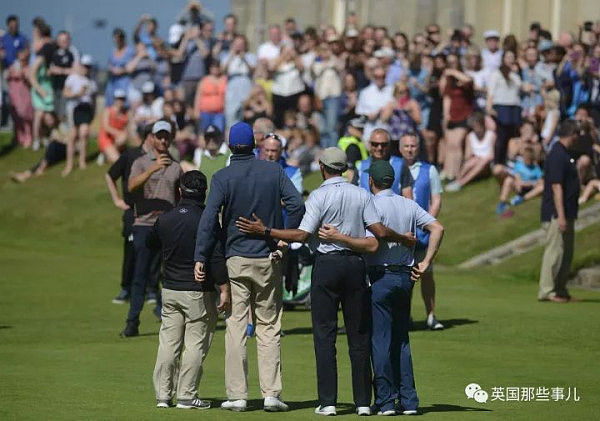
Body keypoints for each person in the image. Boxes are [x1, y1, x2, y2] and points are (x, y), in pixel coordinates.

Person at [235, 147, 416, 416]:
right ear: (343, 168)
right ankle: (363, 402)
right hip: (355, 266)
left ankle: (328, 402)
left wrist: (266, 231)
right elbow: (375, 237)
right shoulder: (362, 194)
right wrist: (399, 237)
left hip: (328, 266)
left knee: (325, 335)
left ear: (322, 167)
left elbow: (301, 234)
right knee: (359, 336)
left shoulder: (319, 195)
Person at [194, 122, 304, 412]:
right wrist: (281, 241)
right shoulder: (274, 171)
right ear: (254, 146)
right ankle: (271, 394)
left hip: (236, 259)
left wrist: (200, 257)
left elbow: (208, 220)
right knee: (268, 327)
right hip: (269, 258)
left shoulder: (222, 176)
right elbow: (297, 206)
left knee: (236, 326)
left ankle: (238, 395)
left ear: (230, 146)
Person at [324, 159, 444, 415]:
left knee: (380, 340)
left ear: (370, 181)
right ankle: (409, 401)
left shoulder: (370, 204)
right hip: (405, 277)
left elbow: (367, 239)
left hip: (379, 277)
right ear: (393, 181)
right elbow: (437, 227)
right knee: (401, 340)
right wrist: (425, 262)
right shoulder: (408, 204)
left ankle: (387, 401)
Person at [149, 170, 230, 410]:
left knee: (168, 343)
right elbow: (215, 257)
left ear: (180, 191)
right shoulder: (207, 218)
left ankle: (163, 396)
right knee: (195, 343)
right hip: (198, 290)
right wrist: (224, 288)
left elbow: (150, 243)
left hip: (170, 289)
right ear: (204, 192)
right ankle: (186, 396)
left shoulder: (166, 218)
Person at [121, 120, 184, 337]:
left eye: (167, 136)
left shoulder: (176, 167)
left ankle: (171, 319)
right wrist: (153, 168)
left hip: (167, 227)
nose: (164, 140)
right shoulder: (140, 162)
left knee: (169, 276)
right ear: (153, 138)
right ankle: (132, 321)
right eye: (160, 136)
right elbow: (131, 186)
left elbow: (179, 198)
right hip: (144, 226)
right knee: (140, 274)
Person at [399, 133, 445, 330]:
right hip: (402, 233)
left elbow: (436, 199)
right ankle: (404, 316)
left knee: (427, 274)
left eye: (413, 146)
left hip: (423, 232)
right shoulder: (395, 168)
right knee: (404, 276)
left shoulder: (429, 169)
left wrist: (426, 222)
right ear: (400, 148)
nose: (410, 149)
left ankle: (431, 315)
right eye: (406, 146)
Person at [105, 124, 153, 305]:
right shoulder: (130, 155)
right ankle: (126, 288)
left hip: (153, 211)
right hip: (133, 211)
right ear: (148, 136)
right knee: (132, 249)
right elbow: (110, 176)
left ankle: (151, 290)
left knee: (153, 250)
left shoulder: (159, 157)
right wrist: (117, 200)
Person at [538, 121, 580, 302]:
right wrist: (561, 215)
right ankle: (547, 290)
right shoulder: (557, 155)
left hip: (569, 212)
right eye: (577, 134)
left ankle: (560, 288)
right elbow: (556, 187)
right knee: (555, 252)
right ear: (572, 134)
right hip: (556, 213)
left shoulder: (566, 154)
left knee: (566, 253)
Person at [62, 55, 97, 176]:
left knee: (84, 133)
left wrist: (94, 112)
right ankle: (69, 164)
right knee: (72, 136)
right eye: (85, 66)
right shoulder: (72, 78)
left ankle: (82, 161)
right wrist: (78, 93)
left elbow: (94, 99)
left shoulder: (92, 81)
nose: (86, 69)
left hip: (86, 109)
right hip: (74, 109)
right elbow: (65, 93)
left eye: (89, 66)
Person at [356, 128, 413, 198]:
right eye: (375, 144)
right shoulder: (360, 166)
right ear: (369, 144)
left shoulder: (400, 165)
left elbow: (408, 196)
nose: (379, 148)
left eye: (383, 144)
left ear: (389, 145)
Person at [10, 112, 66, 182]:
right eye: (47, 121)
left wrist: (59, 138)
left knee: (52, 147)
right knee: (45, 160)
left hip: (67, 148)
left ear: (54, 118)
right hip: (57, 151)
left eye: (50, 119)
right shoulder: (49, 131)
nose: (49, 122)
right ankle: (25, 174)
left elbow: (68, 140)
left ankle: (39, 170)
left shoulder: (62, 126)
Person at [446, 112, 495, 192]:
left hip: (487, 164)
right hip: (474, 161)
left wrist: (481, 159)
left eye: (478, 125)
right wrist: (475, 157)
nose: (476, 127)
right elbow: (467, 156)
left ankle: (461, 183)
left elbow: (491, 155)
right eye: (474, 125)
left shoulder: (491, 135)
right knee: (472, 161)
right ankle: (457, 180)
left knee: (483, 161)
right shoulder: (470, 136)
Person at [496, 146, 544, 213]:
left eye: (529, 159)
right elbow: (517, 178)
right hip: (520, 187)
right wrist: (519, 183)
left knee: (542, 187)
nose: (527, 161)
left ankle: (522, 199)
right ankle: (502, 202)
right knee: (508, 180)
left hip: (530, 187)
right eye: (526, 159)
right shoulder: (519, 165)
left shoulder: (536, 168)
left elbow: (540, 181)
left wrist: (530, 183)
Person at [355, 65, 393, 140]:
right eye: (377, 76)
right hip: (370, 131)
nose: (380, 79)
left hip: (388, 131)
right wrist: (368, 116)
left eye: (383, 76)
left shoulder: (392, 90)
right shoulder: (365, 92)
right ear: (373, 77)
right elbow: (359, 111)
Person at [6, 47, 34, 148]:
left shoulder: (29, 68)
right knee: (16, 117)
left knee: (26, 116)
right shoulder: (13, 67)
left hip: (25, 95)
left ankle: (29, 136)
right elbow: (7, 77)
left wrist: (23, 76)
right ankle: (20, 137)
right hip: (14, 94)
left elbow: (31, 80)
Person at [49, 31, 76, 121]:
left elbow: (75, 70)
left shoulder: (72, 53)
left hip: (67, 89)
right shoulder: (53, 53)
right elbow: (51, 70)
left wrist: (60, 70)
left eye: (67, 40)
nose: (66, 42)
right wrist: (64, 71)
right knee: (54, 114)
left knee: (63, 113)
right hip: (54, 87)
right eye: (63, 40)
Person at [98, 89, 129, 164]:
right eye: (118, 99)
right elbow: (106, 127)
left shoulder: (125, 113)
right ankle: (106, 154)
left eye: (122, 99)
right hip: (106, 137)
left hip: (117, 139)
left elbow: (126, 128)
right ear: (114, 99)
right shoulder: (108, 111)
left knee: (123, 138)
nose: (120, 101)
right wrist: (118, 133)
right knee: (118, 160)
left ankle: (111, 153)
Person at [105, 28, 134, 107]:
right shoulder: (112, 51)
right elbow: (109, 64)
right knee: (111, 103)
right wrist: (111, 69)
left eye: (119, 38)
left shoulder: (130, 51)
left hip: (124, 82)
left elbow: (132, 67)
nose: (117, 40)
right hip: (113, 82)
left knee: (124, 103)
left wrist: (122, 70)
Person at [194, 60, 226, 132]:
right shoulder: (204, 80)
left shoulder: (224, 79)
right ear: (210, 69)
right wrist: (196, 110)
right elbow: (198, 96)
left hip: (219, 113)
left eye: (217, 67)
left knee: (219, 131)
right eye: (213, 67)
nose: (216, 69)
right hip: (205, 112)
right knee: (204, 132)